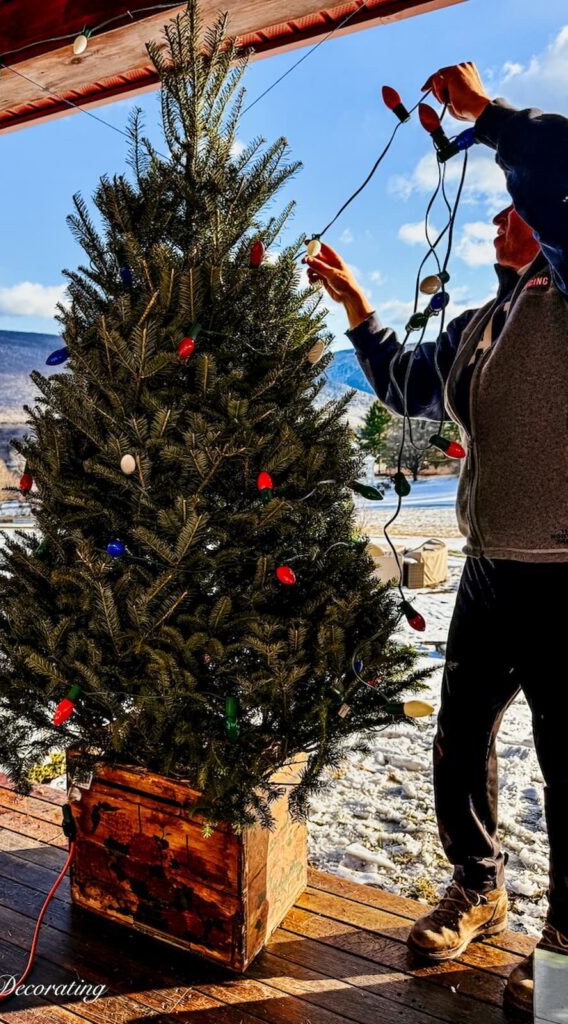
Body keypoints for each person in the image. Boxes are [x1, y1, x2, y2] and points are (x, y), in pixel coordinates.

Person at [306, 62, 568, 1017]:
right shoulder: (481, 322)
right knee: (460, 740)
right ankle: (479, 886)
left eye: (518, 208)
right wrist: (358, 309)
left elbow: (559, 166)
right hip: (491, 570)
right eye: (499, 211)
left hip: (567, 572)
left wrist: (491, 116)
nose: (503, 216)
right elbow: (408, 384)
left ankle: (567, 964)